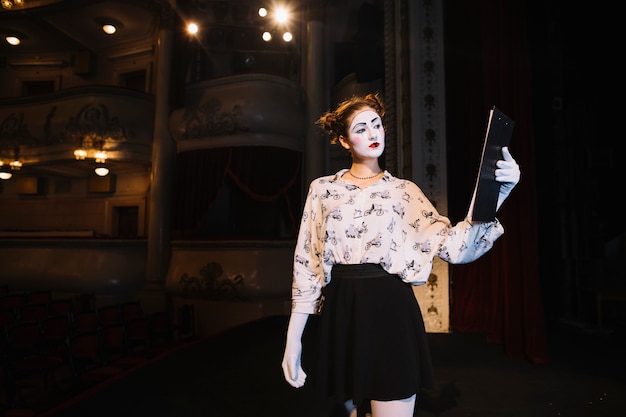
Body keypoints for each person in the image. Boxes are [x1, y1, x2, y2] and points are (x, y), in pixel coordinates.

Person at [281, 92, 520, 417]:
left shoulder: (404, 192)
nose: (372, 133)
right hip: (343, 311)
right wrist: (293, 340)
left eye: (376, 125)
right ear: (342, 140)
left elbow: (455, 246)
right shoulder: (323, 190)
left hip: (391, 310)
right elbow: (307, 264)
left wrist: (499, 193)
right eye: (361, 128)